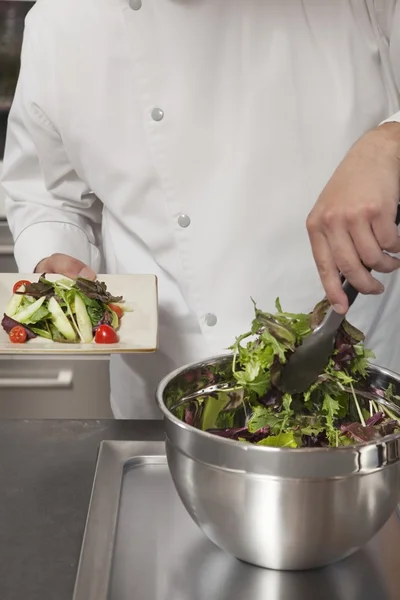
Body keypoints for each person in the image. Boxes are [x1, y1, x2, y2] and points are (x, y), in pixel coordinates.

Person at [2, 0, 400, 419]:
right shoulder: (61, 21)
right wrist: (57, 255)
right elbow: (49, 195)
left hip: (359, 384)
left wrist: (389, 143)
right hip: (166, 395)